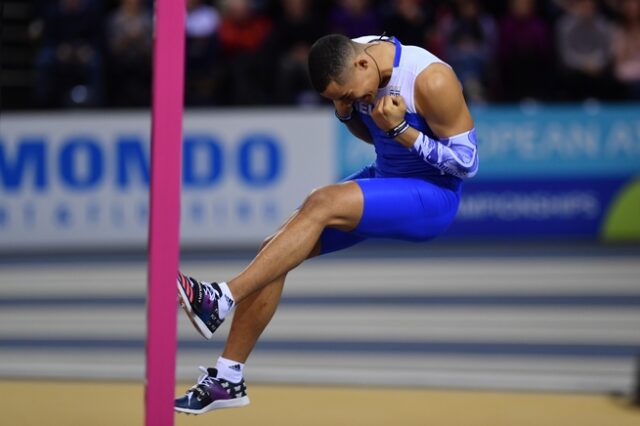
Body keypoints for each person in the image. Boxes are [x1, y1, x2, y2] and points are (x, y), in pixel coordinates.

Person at [174, 33, 479, 415]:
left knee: (321, 201)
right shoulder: (351, 61)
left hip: (432, 195)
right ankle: (227, 377)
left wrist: (403, 130)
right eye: (340, 101)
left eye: (351, 97)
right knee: (276, 249)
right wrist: (347, 111)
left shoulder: (429, 79)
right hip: (387, 178)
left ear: (364, 64)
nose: (353, 103)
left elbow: (467, 165)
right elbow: (367, 130)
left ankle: (220, 297)